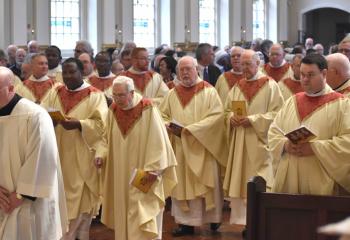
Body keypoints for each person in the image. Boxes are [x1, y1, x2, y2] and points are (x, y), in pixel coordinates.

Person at [101, 76, 177, 240]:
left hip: (145, 171)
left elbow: (159, 142)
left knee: (144, 211)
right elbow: (105, 138)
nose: (118, 100)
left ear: (132, 92)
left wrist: (153, 169)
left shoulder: (147, 109)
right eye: (114, 95)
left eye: (121, 95)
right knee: (124, 210)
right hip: (121, 173)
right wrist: (101, 154)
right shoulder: (113, 110)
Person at [159, 56, 227, 237]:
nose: (185, 73)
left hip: (203, 146)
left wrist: (191, 131)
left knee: (206, 183)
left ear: (196, 69)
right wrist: (167, 125)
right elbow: (162, 115)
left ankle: (213, 219)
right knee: (182, 185)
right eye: (182, 70)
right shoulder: (173, 93)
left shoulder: (209, 91)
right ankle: (186, 224)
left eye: (188, 69)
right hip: (180, 149)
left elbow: (216, 117)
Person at [41, 58, 107, 240]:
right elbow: (41, 111)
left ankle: (77, 235)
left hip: (82, 155)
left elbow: (102, 125)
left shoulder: (95, 95)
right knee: (60, 197)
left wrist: (80, 124)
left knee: (80, 196)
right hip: (58, 152)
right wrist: (50, 119)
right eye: (66, 72)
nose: (68, 76)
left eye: (72, 72)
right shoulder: (55, 91)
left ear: (82, 72)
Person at [0, 66, 68, 239]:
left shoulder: (34, 116)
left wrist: (21, 194)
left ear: (10, 88)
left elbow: (42, 158)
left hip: (28, 200)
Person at [268, 53, 350, 196]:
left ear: (324, 73)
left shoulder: (342, 104)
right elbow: (274, 132)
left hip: (320, 182)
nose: (305, 80)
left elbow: (347, 142)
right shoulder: (292, 101)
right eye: (302, 74)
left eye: (311, 75)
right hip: (289, 179)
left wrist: (314, 148)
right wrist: (286, 145)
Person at [223, 49, 284, 225]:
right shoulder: (237, 86)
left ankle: (259, 221)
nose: (244, 67)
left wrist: (253, 120)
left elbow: (278, 114)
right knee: (241, 183)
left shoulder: (270, 85)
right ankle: (244, 223)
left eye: (248, 64)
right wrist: (230, 119)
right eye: (242, 64)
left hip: (260, 144)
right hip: (240, 144)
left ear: (258, 64)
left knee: (259, 182)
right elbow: (227, 110)